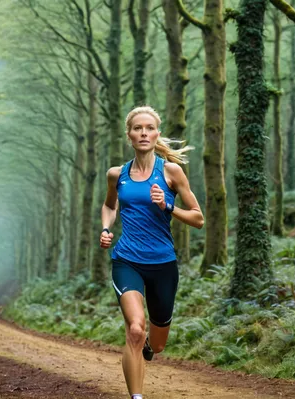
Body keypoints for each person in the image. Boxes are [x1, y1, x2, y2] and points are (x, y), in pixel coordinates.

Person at [99, 106, 204, 399]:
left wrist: (167, 206)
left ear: (156, 134)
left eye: (149, 128)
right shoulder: (116, 174)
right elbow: (109, 206)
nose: (143, 133)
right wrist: (107, 228)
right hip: (126, 260)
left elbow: (198, 218)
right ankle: (137, 396)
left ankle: (149, 347)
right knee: (135, 328)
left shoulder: (171, 172)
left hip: (162, 263)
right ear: (129, 135)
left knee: (156, 344)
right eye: (137, 128)